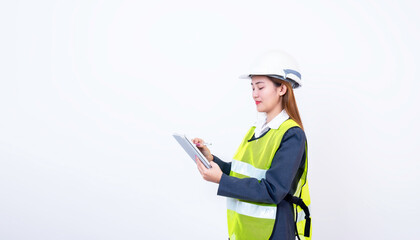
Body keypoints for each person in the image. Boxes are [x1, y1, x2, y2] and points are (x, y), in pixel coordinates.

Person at [192, 50, 312, 240]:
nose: (254, 94)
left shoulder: (292, 134)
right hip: (249, 231)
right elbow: (242, 171)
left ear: (281, 89)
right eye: (252, 87)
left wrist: (221, 180)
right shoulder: (256, 130)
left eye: (260, 87)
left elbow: (274, 190)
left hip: (276, 230)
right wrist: (211, 159)